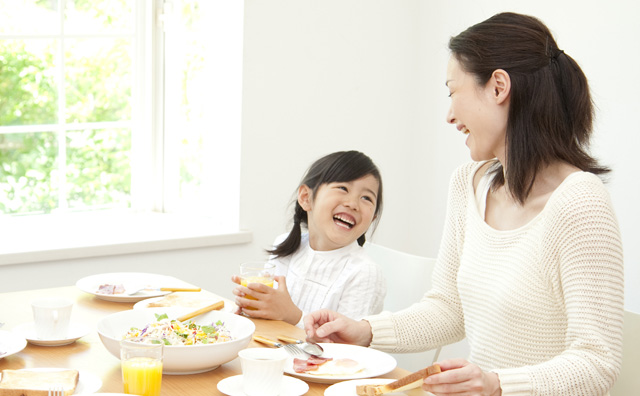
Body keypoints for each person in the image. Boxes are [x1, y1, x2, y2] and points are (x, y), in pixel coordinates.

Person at [304, 12, 624, 396]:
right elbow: (449, 309)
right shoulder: (468, 185)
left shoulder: (581, 203)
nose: (450, 115)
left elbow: (597, 364)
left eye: (453, 92)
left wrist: (497, 384)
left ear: (498, 87)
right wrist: (367, 330)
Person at [232, 150, 386, 327]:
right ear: (306, 198)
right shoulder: (286, 246)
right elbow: (271, 316)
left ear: (372, 218)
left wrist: (292, 315)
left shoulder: (364, 273)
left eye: (366, 198)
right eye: (343, 188)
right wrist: (253, 306)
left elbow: (347, 345)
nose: (353, 204)